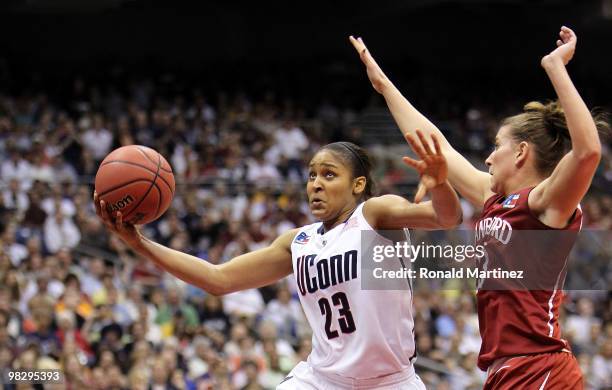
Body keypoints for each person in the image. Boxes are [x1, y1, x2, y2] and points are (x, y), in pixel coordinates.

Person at [351, 26, 609, 389]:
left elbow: (588, 152)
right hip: (505, 371)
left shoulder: (545, 202)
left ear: (521, 152)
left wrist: (555, 67)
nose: (487, 158)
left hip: (539, 368)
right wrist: (384, 87)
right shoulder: (494, 198)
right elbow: (435, 144)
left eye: (496, 146)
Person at [94, 136, 462, 389]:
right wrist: (138, 242)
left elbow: (446, 217)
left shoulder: (375, 214)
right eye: (312, 175)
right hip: (322, 379)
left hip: (390, 381)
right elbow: (218, 279)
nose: (315, 184)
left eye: (329, 174)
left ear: (358, 185)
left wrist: (442, 184)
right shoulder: (298, 241)